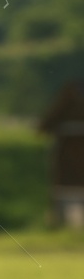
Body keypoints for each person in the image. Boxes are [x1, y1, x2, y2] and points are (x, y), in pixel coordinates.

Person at [39, 79, 84, 228]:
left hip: (67, 167)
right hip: (67, 166)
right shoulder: (67, 101)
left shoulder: (66, 101)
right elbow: (43, 127)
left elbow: (43, 127)